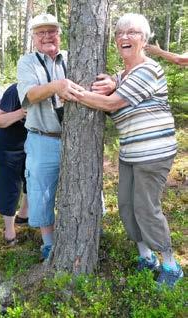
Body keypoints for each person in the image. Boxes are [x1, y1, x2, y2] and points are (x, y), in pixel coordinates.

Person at [72, 13, 184, 288]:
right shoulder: (121, 75)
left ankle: (170, 264)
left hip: (154, 153)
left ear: (144, 39)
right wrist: (112, 83)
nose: (124, 37)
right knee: (126, 206)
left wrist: (72, 93)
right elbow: (116, 90)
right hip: (130, 153)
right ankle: (146, 258)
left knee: (146, 208)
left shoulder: (148, 69)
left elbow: (113, 104)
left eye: (132, 33)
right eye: (119, 33)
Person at [17, 13, 83, 260]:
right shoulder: (27, 62)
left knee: (86, 188)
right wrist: (57, 86)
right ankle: (48, 244)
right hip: (42, 138)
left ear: (60, 33)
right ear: (34, 38)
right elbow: (30, 95)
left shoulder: (74, 56)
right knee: (41, 191)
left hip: (76, 140)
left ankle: (87, 235)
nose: (47, 36)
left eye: (51, 31)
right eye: (40, 32)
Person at [0, 84, 28, 246]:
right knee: (9, 187)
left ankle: (24, 215)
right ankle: (9, 232)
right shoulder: (15, 90)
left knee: (30, 181)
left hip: (28, 145)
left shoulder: (49, 89)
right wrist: (22, 112)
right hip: (6, 148)